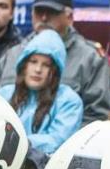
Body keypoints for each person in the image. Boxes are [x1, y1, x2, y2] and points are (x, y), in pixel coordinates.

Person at [28, 0, 110, 119]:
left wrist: (61, 137)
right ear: (32, 14)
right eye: (39, 11)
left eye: (52, 12)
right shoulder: (13, 53)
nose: (44, 18)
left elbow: (99, 115)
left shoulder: (91, 58)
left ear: (69, 18)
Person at [10, 29, 83, 158]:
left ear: (55, 71)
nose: (38, 70)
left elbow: (57, 139)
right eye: (33, 61)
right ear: (24, 65)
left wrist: (18, 143)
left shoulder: (69, 101)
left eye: (46, 65)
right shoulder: (5, 93)